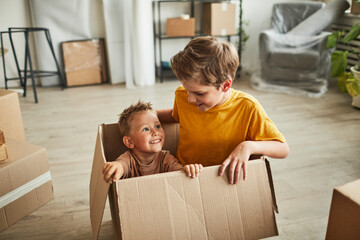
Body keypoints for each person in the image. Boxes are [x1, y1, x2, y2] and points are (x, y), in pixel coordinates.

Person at [157, 36, 289, 184]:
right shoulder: (182, 95)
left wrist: (249, 146)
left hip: (222, 180)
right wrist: (152, 114)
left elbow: (283, 149)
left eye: (199, 93)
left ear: (226, 85)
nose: (190, 99)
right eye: (188, 90)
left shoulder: (248, 107)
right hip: (184, 174)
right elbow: (176, 116)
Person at [102, 100, 203, 182]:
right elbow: (121, 164)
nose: (155, 132)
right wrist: (116, 166)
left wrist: (189, 169)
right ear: (129, 142)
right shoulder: (128, 160)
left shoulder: (165, 158)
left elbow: (179, 171)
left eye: (158, 126)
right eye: (146, 129)